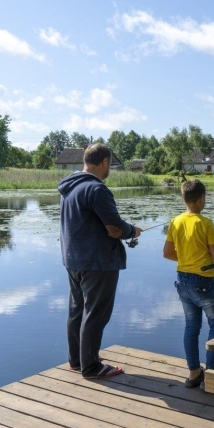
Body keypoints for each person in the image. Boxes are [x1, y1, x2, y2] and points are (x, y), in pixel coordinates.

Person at [58, 144, 141, 379]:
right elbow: (114, 228)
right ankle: (92, 367)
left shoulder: (69, 187)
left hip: (73, 259)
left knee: (77, 311)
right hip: (98, 263)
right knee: (96, 313)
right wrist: (132, 231)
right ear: (104, 161)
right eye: (110, 163)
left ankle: (78, 360)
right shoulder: (97, 189)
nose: (110, 168)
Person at [162, 179, 214, 388]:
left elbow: (167, 253)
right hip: (204, 282)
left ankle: (194, 373)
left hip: (183, 281)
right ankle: (212, 376)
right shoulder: (205, 223)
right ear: (202, 198)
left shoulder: (175, 221)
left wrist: (187, 259)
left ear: (184, 198)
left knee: (191, 327)